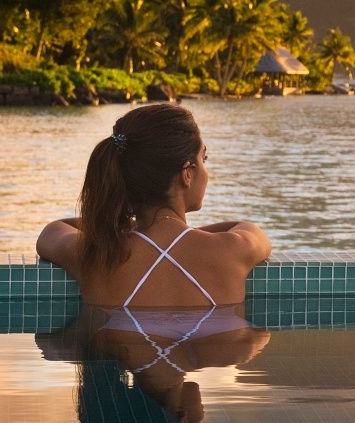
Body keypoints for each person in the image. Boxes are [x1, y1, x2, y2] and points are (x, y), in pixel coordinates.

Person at [36, 102, 273, 308]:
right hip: (206, 355)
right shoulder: (232, 249)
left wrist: (124, 226)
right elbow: (254, 232)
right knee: (252, 344)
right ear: (187, 174)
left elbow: (51, 232)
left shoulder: (95, 254)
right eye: (204, 159)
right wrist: (184, 234)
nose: (206, 170)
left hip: (118, 353)